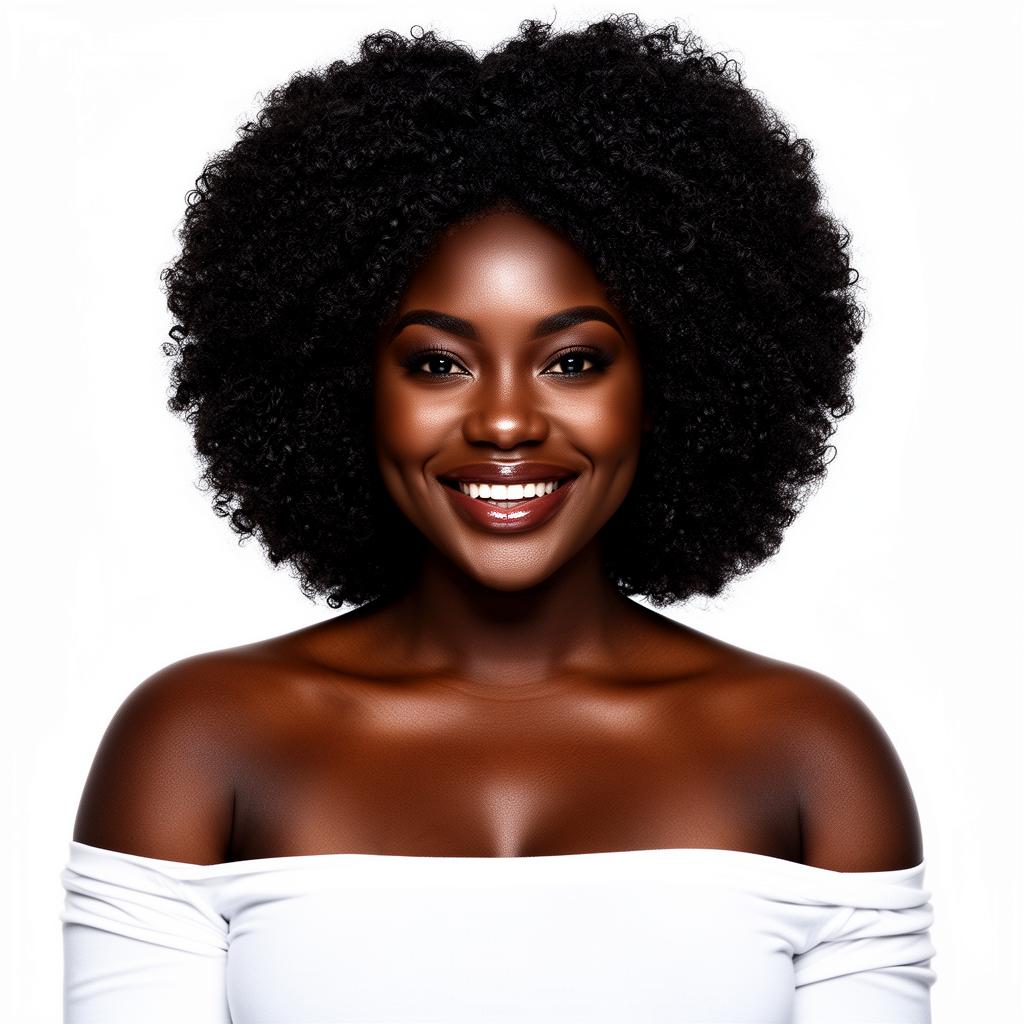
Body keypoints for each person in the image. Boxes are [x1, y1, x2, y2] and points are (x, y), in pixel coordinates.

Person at [61, 13, 936, 1023]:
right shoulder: (200, 745)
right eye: (437, 362)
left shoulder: (808, 756)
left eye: (574, 361)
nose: (508, 418)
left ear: (671, 381)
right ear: (348, 382)